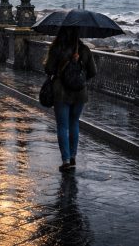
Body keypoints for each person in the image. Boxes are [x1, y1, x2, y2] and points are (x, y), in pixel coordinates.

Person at [43, 27, 97, 172]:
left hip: (61, 92)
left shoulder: (57, 48)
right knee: (74, 124)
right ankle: (73, 156)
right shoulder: (84, 49)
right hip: (80, 93)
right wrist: (79, 76)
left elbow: (49, 69)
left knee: (62, 126)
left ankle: (66, 160)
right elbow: (93, 71)